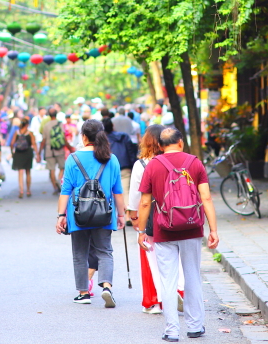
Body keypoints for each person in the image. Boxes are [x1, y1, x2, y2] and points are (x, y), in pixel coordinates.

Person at [136, 128, 220, 341]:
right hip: (192, 227)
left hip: (164, 230)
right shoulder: (195, 162)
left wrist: (142, 231)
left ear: (161, 145)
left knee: (168, 280)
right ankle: (195, 326)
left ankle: (172, 330)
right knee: (192, 276)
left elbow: (145, 202)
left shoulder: (153, 165)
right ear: (181, 142)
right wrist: (213, 229)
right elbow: (207, 198)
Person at [56, 119, 126, 308]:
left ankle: (83, 293)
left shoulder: (73, 159)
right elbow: (117, 191)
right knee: (105, 251)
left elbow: (65, 191)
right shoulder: (112, 159)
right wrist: (121, 215)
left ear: (84, 137)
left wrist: (61, 216)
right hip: (104, 212)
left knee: (80, 253)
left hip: (78, 213)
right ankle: (107, 287)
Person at [128, 124, 185, 315]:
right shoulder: (179, 160)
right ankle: (179, 291)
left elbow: (138, 196)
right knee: (177, 255)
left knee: (151, 256)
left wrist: (134, 218)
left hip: (152, 215)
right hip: (178, 212)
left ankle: (155, 300)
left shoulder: (142, 164)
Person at [106, 112, 137, 202]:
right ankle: (127, 214)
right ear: (113, 126)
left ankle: (117, 214)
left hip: (109, 169)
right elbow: (131, 152)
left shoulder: (102, 140)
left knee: (110, 193)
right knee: (125, 192)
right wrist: (132, 165)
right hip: (125, 167)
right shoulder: (124, 136)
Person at [40, 107, 67, 194]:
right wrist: (69, 147)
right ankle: (59, 180)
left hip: (49, 150)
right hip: (59, 149)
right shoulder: (60, 124)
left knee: (51, 169)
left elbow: (43, 140)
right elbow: (63, 137)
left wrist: (39, 152)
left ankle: (55, 187)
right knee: (62, 167)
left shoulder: (46, 126)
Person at [11, 117, 36, 198]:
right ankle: (28, 190)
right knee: (28, 172)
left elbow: (12, 143)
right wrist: (37, 154)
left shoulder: (16, 132)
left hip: (18, 153)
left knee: (20, 172)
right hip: (28, 153)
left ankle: (21, 190)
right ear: (27, 124)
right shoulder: (30, 133)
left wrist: (12, 152)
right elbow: (33, 143)